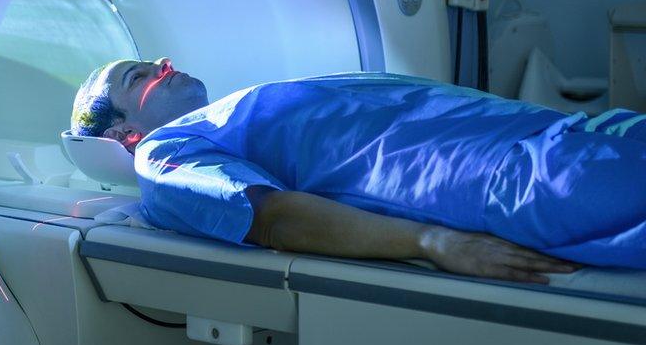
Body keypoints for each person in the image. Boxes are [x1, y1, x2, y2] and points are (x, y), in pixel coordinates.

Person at [71, 58, 646, 283]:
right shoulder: (164, 153)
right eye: (139, 77)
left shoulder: (234, 114)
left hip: (561, 133)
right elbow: (273, 218)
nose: (164, 65)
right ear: (126, 135)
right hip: (518, 175)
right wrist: (432, 241)